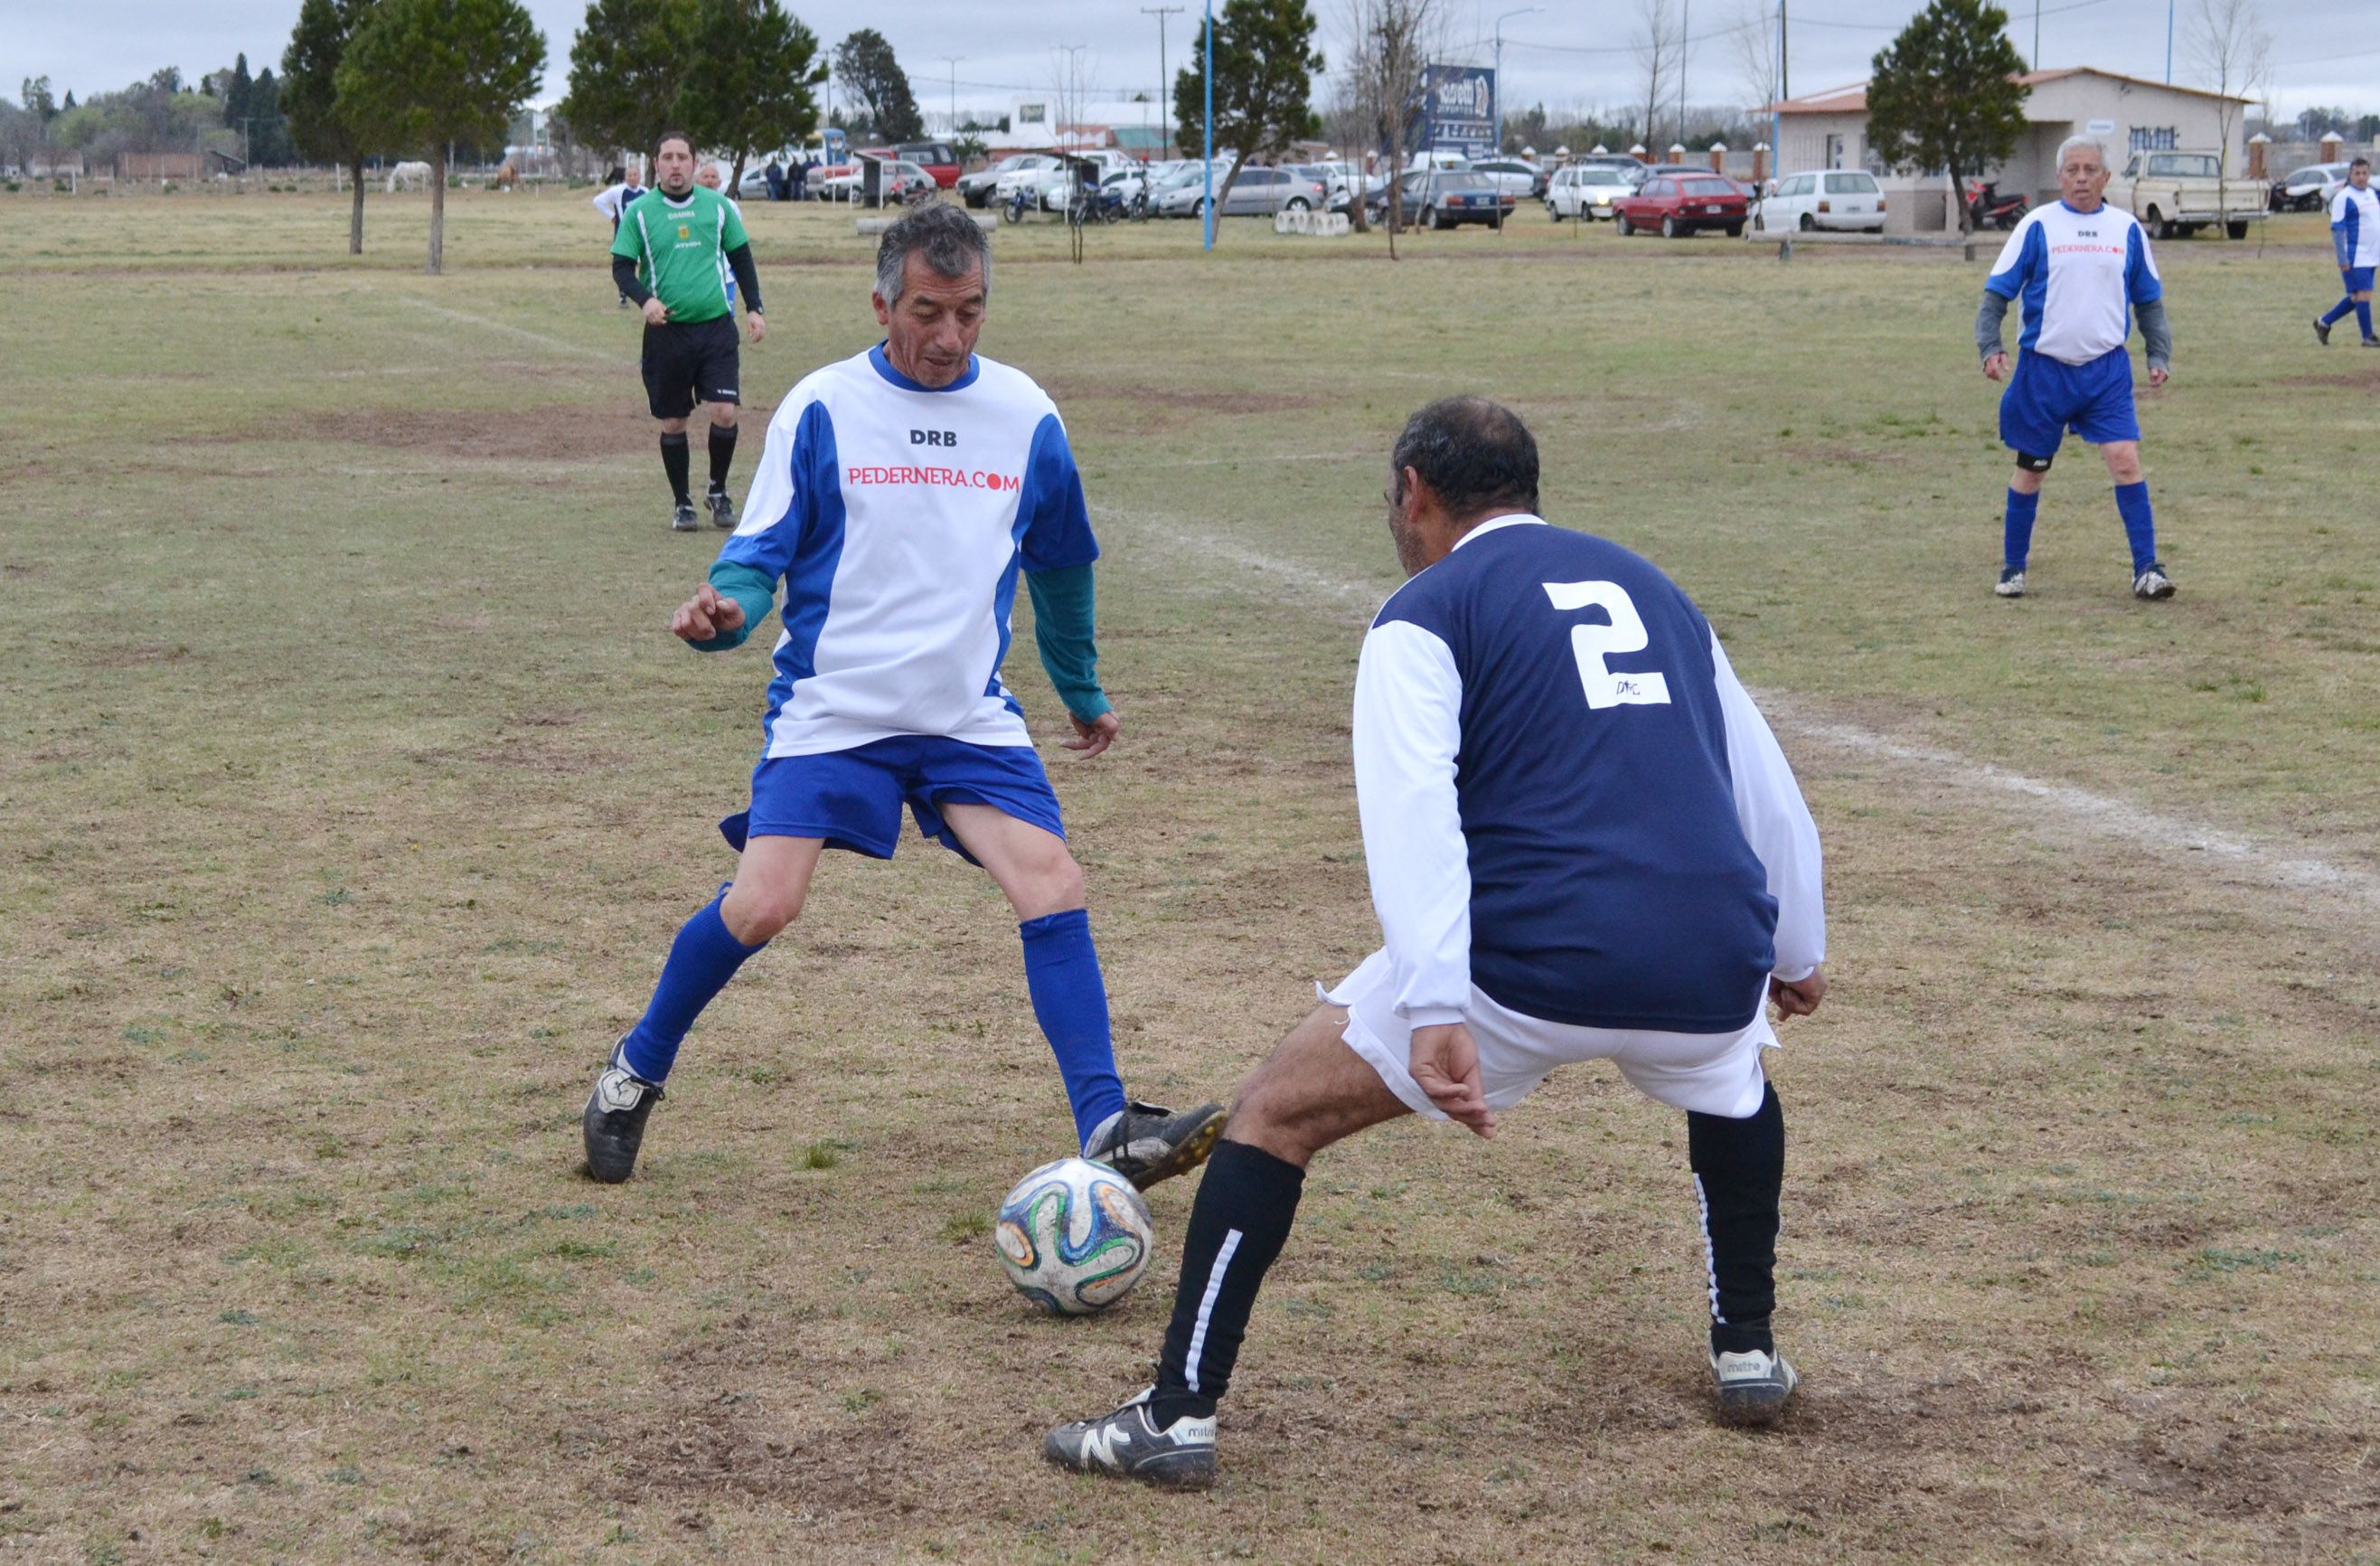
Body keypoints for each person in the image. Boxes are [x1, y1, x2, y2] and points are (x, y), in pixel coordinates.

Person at [1043, 398, 1828, 1490]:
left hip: (1528, 967)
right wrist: (1793, 948)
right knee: (1732, 1076)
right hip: (1709, 960)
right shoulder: (1657, 590)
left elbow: (1411, 822)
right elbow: (1768, 793)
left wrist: (1435, 1005)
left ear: (1413, 489)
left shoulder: (1425, 609)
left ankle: (1174, 1416)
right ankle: (1745, 1345)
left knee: (1269, 1113)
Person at [581, 203, 1228, 1203]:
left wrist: (1083, 688)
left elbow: (1061, 564)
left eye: (969, 312)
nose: (949, 337)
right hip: (836, 710)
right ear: (882, 300)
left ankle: (1106, 1125)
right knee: (763, 903)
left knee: (1052, 880)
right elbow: (760, 557)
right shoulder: (824, 406)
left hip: (963, 716)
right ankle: (631, 1074)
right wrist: (728, 613)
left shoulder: (1023, 415)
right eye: (927, 311)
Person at [1977, 135, 2175, 601]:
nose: (2082, 178)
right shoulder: (2037, 226)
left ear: (2106, 177)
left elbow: (2149, 302)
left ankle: (2147, 569)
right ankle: (2013, 567)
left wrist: (2158, 353)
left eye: (2091, 170)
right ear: (2059, 177)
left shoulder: (2127, 230)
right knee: (2032, 469)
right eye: (2073, 170)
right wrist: (1990, 346)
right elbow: (1996, 296)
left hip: (2106, 372)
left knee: (2125, 461)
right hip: (2043, 373)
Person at [612, 131, 767, 533]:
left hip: (716, 328)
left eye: (683, 157)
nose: (676, 164)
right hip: (668, 336)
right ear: (656, 163)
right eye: (668, 157)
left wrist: (755, 309)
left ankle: (718, 490)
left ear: (695, 164)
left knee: (725, 411)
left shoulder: (718, 207)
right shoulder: (640, 213)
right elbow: (621, 268)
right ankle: (682, 503)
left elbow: (741, 258)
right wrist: (646, 300)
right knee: (674, 422)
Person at [2314, 156, 2377, 348]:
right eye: (2357, 173)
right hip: (2355, 255)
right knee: (2365, 294)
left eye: (2364, 173)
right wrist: (2342, 258)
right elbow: (2337, 229)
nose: (2361, 177)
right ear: (2350, 175)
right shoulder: (2344, 197)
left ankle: (2323, 322)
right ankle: (2368, 337)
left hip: (2372, 255)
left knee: (2357, 297)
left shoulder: (2372, 194)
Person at [592, 164, 647, 307]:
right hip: (624, 235)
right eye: (629, 175)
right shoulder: (618, 191)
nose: (632, 178)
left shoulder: (645, 192)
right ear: (625, 177)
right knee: (625, 265)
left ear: (639, 177)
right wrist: (612, 216)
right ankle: (623, 296)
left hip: (642, 235)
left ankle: (646, 294)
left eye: (635, 175)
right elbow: (598, 201)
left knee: (644, 263)